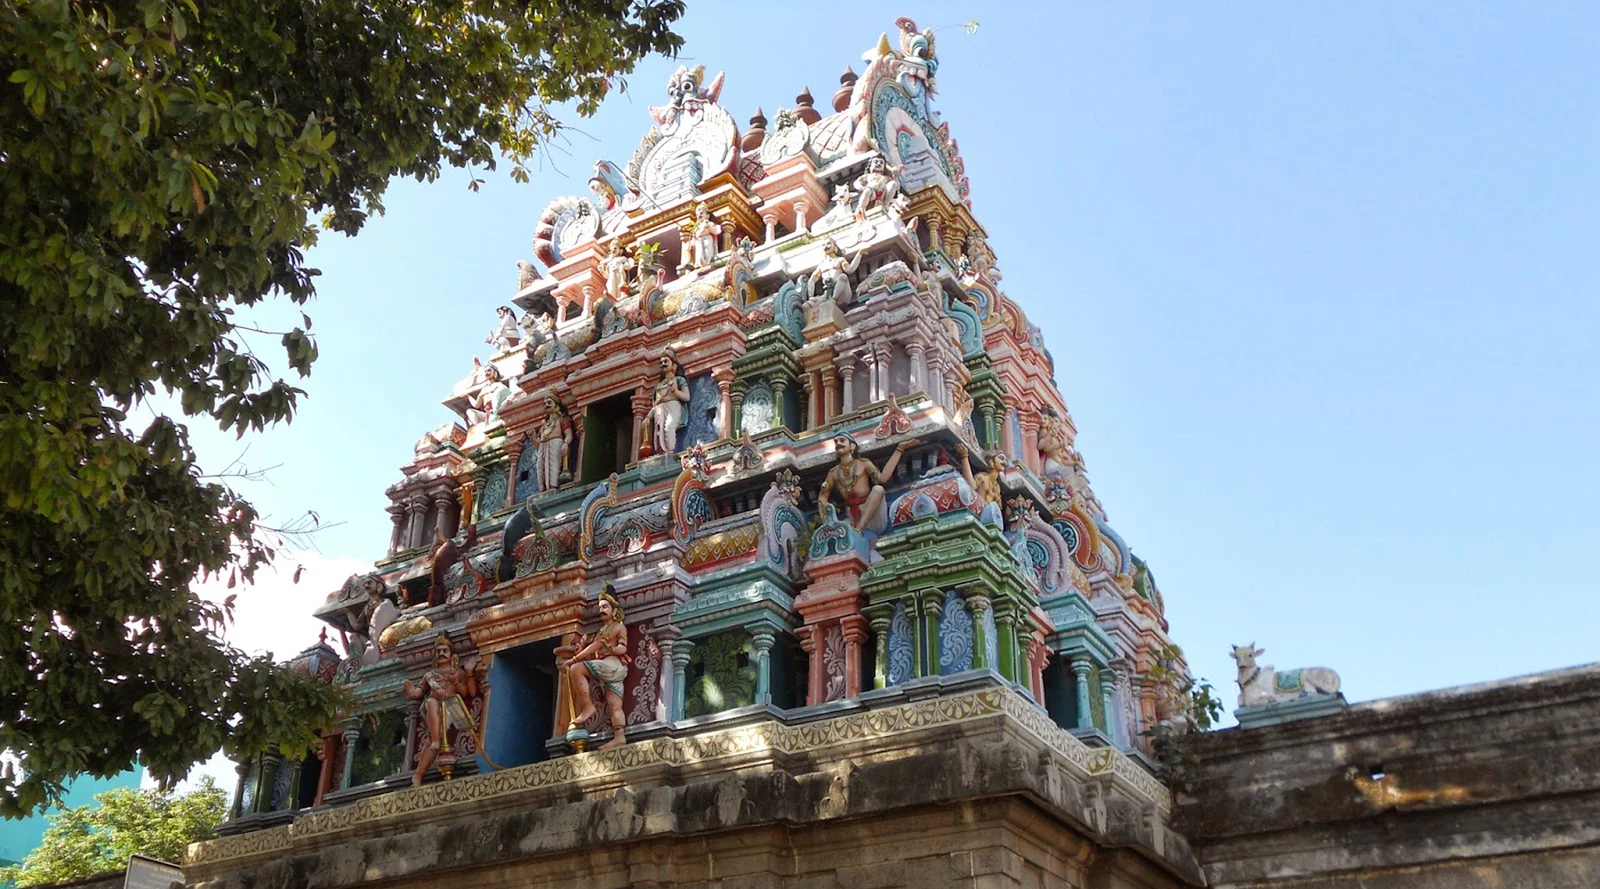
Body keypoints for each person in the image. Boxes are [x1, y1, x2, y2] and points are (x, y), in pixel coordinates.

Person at [403, 634, 489, 785]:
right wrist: (411, 692)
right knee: (431, 702)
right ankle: (422, 767)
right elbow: (418, 692)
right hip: (432, 710)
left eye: (445, 650)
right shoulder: (430, 675)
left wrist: (463, 675)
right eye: (438, 651)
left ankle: (434, 742)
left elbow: (469, 693)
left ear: (451, 655)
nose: (441, 653)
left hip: (451, 708)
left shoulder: (456, 673)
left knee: (433, 720)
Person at [561, 587, 631, 750]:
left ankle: (588, 706)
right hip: (606, 668)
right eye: (600, 607)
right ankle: (619, 736)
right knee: (614, 704)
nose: (601, 610)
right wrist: (581, 649)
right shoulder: (601, 632)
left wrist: (574, 659)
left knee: (576, 669)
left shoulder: (618, 628)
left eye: (605, 606)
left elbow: (622, 648)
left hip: (613, 665)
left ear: (614, 610)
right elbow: (594, 653)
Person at [817, 434, 914, 535]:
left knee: (878, 489)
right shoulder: (833, 473)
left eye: (842, 440)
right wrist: (827, 521)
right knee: (838, 533)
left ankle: (860, 528)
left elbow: (883, 479)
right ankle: (857, 530)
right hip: (851, 516)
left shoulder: (863, 463)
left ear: (852, 446)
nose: (838, 444)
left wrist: (899, 450)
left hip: (870, 512)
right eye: (836, 442)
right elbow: (822, 496)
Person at [646, 354, 689, 455]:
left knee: (668, 427)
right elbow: (655, 404)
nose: (663, 364)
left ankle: (669, 453)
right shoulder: (658, 386)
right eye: (661, 362)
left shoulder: (679, 380)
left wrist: (675, 391)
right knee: (658, 431)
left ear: (674, 366)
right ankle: (660, 454)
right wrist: (648, 417)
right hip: (659, 410)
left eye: (666, 361)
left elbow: (686, 397)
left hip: (673, 406)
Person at [536, 396, 572, 492]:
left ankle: (554, 488)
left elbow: (569, 435)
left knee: (554, 468)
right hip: (543, 447)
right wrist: (531, 437)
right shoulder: (544, 425)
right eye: (545, 404)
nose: (546, 405)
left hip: (556, 445)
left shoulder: (562, 420)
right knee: (540, 468)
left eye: (549, 403)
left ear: (556, 405)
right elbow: (537, 443)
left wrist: (565, 443)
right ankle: (544, 490)